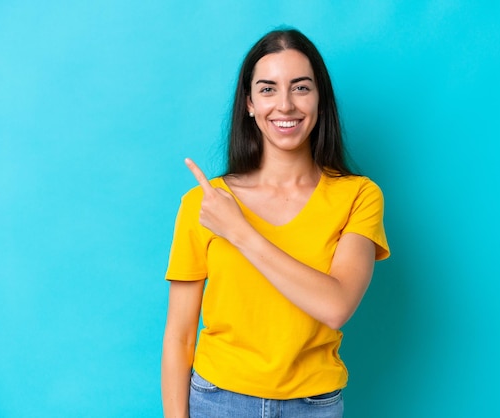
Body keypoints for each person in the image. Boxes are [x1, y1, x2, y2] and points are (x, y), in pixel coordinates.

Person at [161, 28, 390, 418]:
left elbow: (336, 306)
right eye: (268, 89)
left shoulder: (359, 196)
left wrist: (239, 232)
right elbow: (180, 337)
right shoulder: (205, 203)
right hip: (218, 401)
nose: (285, 105)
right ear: (249, 103)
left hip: (313, 405)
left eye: (300, 88)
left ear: (320, 100)